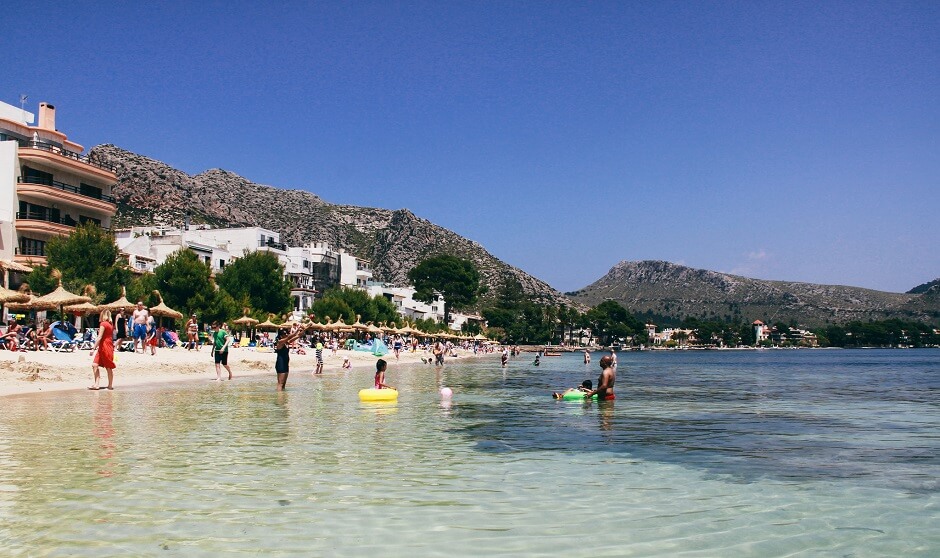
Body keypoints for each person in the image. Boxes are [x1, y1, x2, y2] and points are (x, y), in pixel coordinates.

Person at [89, 309, 116, 390]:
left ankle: (110, 386)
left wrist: (93, 348)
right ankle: (97, 384)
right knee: (95, 365)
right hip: (106, 346)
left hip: (105, 347)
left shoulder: (103, 324)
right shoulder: (110, 324)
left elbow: (99, 337)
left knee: (108, 366)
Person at [275, 324, 304, 391]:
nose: (286, 335)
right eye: (284, 334)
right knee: (280, 383)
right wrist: (297, 329)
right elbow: (290, 336)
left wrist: (304, 329)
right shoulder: (280, 342)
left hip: (285, 363)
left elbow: (298, 336)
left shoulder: (286, 342)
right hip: (280, 364)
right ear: (281, 335)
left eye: (286, 334)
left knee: (284, 384)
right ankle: (279, 399)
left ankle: (283, 399)